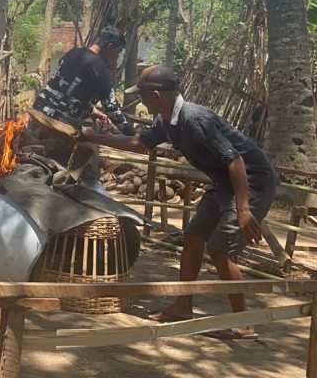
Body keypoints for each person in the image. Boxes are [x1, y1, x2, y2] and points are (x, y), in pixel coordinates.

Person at [83, 65, 279, 340]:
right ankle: (183, 304)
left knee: (220, 250)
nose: (140, 101)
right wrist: (97, 138)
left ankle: (244, 322)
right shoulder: (167, 122)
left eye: (141, 95)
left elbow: (235, 160)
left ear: (155, 95)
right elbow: (141, 143)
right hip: (224, 183)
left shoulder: (194, 119)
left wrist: (244, 208)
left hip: (252, 181)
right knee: (193, 236)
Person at [31, 26, 133, 184]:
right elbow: (111, 108)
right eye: (117, 53)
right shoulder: (101, 69)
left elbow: (65, 90)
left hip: (37, 114)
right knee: (89, 157)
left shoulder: (73, 54)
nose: (116, 58)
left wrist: (90, 108)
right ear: (110, 47)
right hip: (60, 126)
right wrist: (131, 135)